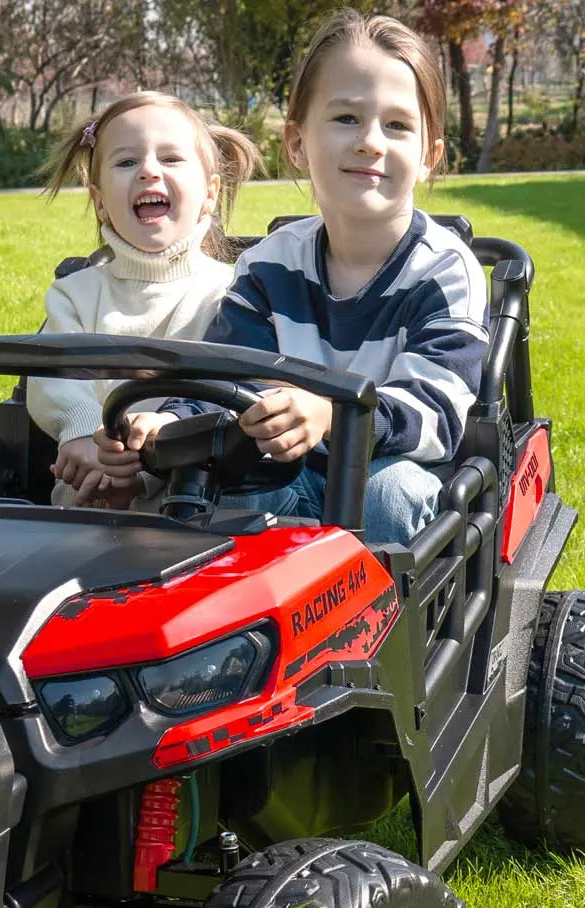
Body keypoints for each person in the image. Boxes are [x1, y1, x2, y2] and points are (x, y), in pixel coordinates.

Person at [96, 10, 489, 544]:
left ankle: (374, 624)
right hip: (285, 474)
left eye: (397, 125)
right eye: (346, 118)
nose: (370, 141)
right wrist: (169, 421)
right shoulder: (269, 265)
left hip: (394, 471)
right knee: (221, 491)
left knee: (385, 495)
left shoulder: (443, 270)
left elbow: (436, 415)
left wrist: (332, 415)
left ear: (429, 157)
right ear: (298, 143)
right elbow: (227, 375)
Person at [28, 92, 261, 507]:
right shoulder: (76, 293)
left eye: (171, 159)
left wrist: (155, 460)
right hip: (86, 487)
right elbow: (51, 377)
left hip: (196, 498)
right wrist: (81, 434)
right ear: (100, 202)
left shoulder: (235, 291)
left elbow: (230, 389)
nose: (148, 171)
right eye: (126, 162)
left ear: (210, 193)